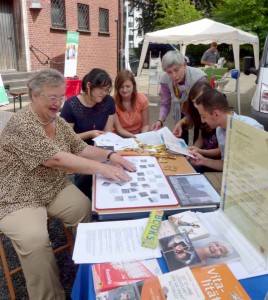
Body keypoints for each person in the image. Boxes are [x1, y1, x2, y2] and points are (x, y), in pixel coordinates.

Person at [0, 69, 136, 299]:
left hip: (52, 187)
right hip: (17, 196)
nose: (58, 103)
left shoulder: (57, 121)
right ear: (34, 95)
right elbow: (57, 158)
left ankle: (93, 271)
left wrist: (111, 156)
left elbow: (80, 148)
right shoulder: (22, 124)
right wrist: (105, 168)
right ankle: (50, 296)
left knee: (87, 209)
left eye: (61, 97)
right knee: (36, 241)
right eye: (52, 97)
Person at [61, 68, 116, 197]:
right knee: (86, 190)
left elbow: (107, 132)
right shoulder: (71, 105)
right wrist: (90, 134)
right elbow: (65, 139)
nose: (104, 93)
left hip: (101, 151)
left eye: (107, 89)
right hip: (79, 154)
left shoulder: (108, 101)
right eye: (101, 89)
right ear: (89, 86)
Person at [189, 89, 264, 171]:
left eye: (203, 116)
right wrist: (203, 161)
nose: (202, 121)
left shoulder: (252, 128)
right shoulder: (219, 130)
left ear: (216, 114)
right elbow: (226, 164)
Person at [151, 51, 207, 144]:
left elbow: (200, 106)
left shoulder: (198, 77)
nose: (174, 75)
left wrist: (182, 122)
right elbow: (165, 103)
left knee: (199, 139)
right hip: (181, 109)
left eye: (176, 70)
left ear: (184, 65)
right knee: (180, 137)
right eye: (169, 72)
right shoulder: (165, 78)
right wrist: (160, 120)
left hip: (199, 110)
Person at [113, 69, 149, 137]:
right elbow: (119, 129)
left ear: (133, 86)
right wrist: (134, 137)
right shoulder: (112, 102)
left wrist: (142, 136)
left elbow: (146, 125)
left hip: (139, 134)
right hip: (119, 136)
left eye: (128, 86)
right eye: (121, 87)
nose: (124, 90)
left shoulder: (142, 100)